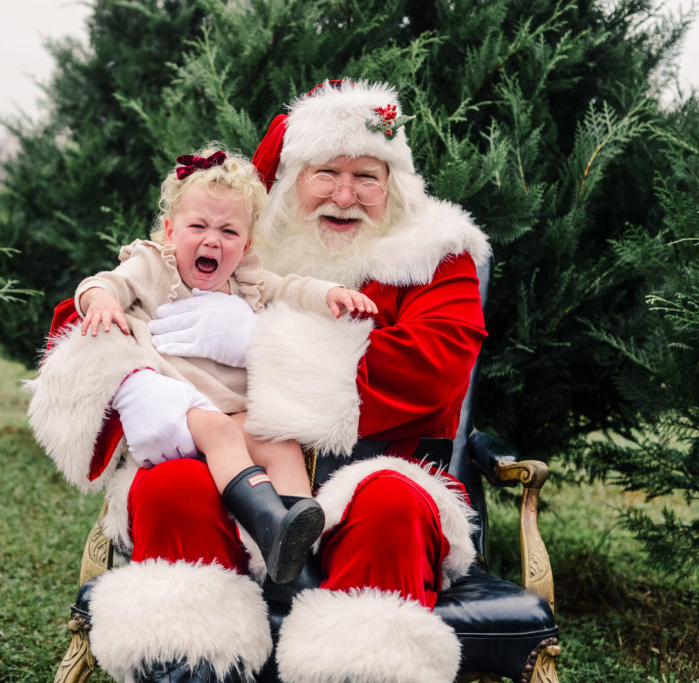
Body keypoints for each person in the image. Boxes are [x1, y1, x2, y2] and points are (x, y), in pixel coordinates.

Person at [28, 78, 490, 683]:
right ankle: (187, 667)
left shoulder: (433, 255)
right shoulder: (236, 239)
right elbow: (95, 313)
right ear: (294, 177)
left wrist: (258, 344)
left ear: (393, 186)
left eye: (367, 177)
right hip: (227, 465)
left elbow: (433, 366)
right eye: (326, 172)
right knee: (172, 487)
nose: (344, 195)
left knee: (390, 503)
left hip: (371, 467)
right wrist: (137, 381)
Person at [74, 148, 378, 584]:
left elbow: (289, 288)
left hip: (232, 412)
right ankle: (269, 524)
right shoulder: (152, 266)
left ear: (246, 244)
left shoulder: (245, 279)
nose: (212, 240)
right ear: (170, 231)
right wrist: (101, 301)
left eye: (228, 231)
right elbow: (101, 283)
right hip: (180, 408)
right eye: (198, 226)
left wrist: (328, 294)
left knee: (279, 442)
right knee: (218, 432)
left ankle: (293, 557)